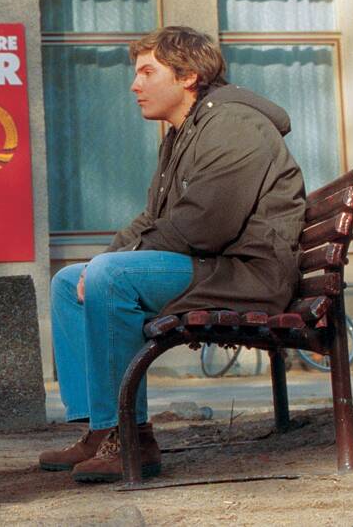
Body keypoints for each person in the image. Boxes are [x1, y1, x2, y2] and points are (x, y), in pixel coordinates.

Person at [39, 26, 306, 482]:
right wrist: (104, 260)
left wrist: (108, 268)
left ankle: (132, 438)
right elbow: (152, 219)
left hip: (247, 274)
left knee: (109, 277)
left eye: (147, 72)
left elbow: (205, 223)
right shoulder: (183, 133)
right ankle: (102, 426)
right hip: (211, 263)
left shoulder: (235, 125)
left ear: (188, 76)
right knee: (69, 282)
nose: (134, 85)